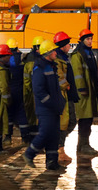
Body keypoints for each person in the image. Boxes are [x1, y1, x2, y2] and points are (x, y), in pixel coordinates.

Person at [22, 39, 66, 173]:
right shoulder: (39, 68)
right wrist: (51, 102)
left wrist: (59, 102)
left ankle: (52, 162)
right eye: (53, 51)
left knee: (54, 135)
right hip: (46, 108)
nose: (55, 53)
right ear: (47, 53)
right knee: (45, 133)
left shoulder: (51, 65)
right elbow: (39, 89)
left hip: (54, 107)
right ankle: (29, 154)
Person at [70, 29, 98, 158]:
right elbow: (77, 74)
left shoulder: (88, 53)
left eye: (91, 39)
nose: (90, 41)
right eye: (87, 39)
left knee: (88, 118)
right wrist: (81, 89)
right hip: (84, 92)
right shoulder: (78, 54)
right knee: (85, 119)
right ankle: (83, 145)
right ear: (82, 40)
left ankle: (83, 144)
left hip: (90, 91)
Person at [53, 31, 79, 165]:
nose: (70, 46)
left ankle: (57, 145)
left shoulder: (64, 57)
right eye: (68, 44)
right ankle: (59, 151)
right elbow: (59, 76)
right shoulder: (58, 59)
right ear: (63, 45)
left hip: (68, 96)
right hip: (63, 96)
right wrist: (67, 86)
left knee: (71, 121)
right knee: (64, 123)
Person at [4, 38, 28, 147]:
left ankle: (8, 138)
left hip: (9, 90)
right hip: (20, 89)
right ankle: (24, 139)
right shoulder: (22, 59)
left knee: (9, 115)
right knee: (22, 114)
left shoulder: (6, 59)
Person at [22, 36, 43, 144]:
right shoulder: (32, 62)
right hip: (33, 94)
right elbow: (27, 81)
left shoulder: (31, 60)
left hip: (34, 93)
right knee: (33, 117)